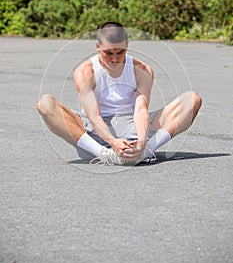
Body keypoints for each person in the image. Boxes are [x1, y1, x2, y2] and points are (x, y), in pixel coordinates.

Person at [37, 22, 202, 165]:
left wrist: (143, 141)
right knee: (45, 104)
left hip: (132, 126)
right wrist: (112, 142)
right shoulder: (85, 71)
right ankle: (105, 155)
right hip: (95, 133)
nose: (115, 59)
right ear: (97, 47)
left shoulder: (142, 70)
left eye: (120, 52)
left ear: (127, 45)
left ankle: (146, 152)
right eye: (108, 53)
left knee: (192, 100)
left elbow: (140, 110)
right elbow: (94, 116)